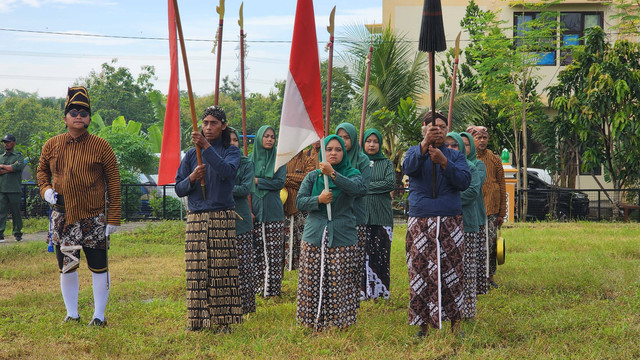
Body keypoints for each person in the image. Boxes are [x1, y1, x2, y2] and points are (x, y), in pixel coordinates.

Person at [37, 86, 121, 327]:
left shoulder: (101, 146)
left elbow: (113, 181)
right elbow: (42, 171)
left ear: (89, 118)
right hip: (63, 216)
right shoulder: (52, 144)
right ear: (64, 117)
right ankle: (72, 313)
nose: (78, 116)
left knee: (98, 267)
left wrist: (113, 217)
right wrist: (46, 190)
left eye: (84, 112)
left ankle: (99, 316)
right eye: (73, 112)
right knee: (68, 266)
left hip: (93, 217)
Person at [175, 106, 243, 331]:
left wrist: (206, 148)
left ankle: (224, 322)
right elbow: (178, 187)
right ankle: (196, 321)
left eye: (214, 123)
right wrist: (192, 178)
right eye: (205, 123)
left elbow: (227, 172)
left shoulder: (230, 151)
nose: (208, 127)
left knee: (222, 269)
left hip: (221, 215)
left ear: (223, 125)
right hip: (196, 216)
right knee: (196, 270)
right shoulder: (191, 153)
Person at [402, 112, 470, 337]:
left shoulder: (455, 156)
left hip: (450, 220)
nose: (438, 130)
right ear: (424, 128)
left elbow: (463, 181)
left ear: (447, 129)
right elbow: (408, 168)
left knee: (453, 271)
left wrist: (444, 162)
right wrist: (423, 147)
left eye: (442, 126)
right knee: (420, 272)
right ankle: (422, 325)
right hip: (421, 219)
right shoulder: (414, 151)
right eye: (433, 126)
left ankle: (455, 323)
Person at [295, 135, 363, 331]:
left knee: (340, 278)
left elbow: (357, 189)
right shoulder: (313, 176)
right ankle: (310, 320)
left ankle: (339, 322)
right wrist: (319, 199)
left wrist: (333, 174)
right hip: (314, 234)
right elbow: (300, 202)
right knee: (311, 278)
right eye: (329, 149)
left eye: (338, 149)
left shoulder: (352, 173)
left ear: (344, 152)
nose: (333, 152)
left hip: (342, 235)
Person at [446, 132, 486, 319]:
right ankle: (449, 310)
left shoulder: (472, 167)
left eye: (455, 145)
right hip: (447, 225)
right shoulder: (441, 166)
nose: (451, 148)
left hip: (468, 225)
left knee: (467, 271)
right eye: (448, 145)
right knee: (449, 270)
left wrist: (446, 198)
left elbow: (471, 193)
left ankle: (467, 311)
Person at [335, 123, 370, 305]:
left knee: (354, 260)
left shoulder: (362, 160)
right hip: (336, 217)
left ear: (354, 139)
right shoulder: (332, 158)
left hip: (356, 216)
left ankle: (353, 298)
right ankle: (338, 297)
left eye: (347, 137)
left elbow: (362, 189)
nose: (343, 141)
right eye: (340, 137)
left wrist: (341, 183)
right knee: (338, 261)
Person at [249, 125, 286, 297]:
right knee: (257, 251)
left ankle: (273, 290)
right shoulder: (250, 160)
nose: (270, 139)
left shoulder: (280, 159)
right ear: (259, 138)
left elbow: (279, 183)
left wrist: (258, 181)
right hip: (255, 210)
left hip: (273, 212)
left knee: (274, 253)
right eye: (266, 136)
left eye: (272, 136)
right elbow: (246, 185)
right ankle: (258, 288)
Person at [467, 125, 506, 289]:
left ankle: (489, 277)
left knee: (490, 244)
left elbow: (502, 185)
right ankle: (474, 276)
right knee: (473, 244)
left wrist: (501, 213)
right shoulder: (466, 160)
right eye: (478, 138)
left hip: (491, 210)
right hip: (472, 209)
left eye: (485, 138)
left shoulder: (494, 159)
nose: (482, 141)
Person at [361, 128, 395, 300]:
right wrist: (373, 186)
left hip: (381, 216)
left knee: (380, 255)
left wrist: (364, 188)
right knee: (360, 255)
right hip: (360, 216)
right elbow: (353, 184)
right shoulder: (357, 162)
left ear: (380, 143)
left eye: (375, 141)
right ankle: (361, 293)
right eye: (368, 141)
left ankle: (380, 293)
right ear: (363, 142)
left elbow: (389, 183)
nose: (372, 144)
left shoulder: (387, 163)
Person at [229, 128, 256, 315]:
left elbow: (246, 188)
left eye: (235, 140)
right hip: (221, 217)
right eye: (228, 140)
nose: (232, 143)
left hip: (242, 218)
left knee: (244, 265)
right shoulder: (216, 161)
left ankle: (246, 306)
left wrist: (221, 187)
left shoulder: (246, 163)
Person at [283, 149, 315, 271]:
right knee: (288, 237)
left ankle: (305, 266)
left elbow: (309, 179)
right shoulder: (283, 160)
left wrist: (286, 178)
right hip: (286, 204)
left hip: (303, 205)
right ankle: (289, 267)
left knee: (304, 237)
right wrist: (298, 180)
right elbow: (278, 179)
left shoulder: (308, 160)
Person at [0, 134, 25, 242]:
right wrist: (10, 168)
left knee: (16, 212)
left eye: (8, 142)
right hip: (2, 189)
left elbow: (18, 166)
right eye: (4, 142)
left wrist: (2, 166)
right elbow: (13, 168)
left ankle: (17, 233)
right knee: (1, 212)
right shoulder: (1, 157)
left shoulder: (18, 156)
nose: (6, 144)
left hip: (14, 189)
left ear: (14, 143)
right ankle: (0, 233)